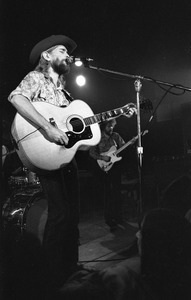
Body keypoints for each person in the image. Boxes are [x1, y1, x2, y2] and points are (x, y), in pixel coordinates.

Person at [7, 34, 81, 293]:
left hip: (66, 156)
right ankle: (50, 275)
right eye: (62, 50)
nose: (67, 55)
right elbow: (16, 99)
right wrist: (47, 129)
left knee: (72, 214)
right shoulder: (35, 78)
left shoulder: (65, 92)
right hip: (45, 154)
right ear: (47, 56)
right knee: (59, 213)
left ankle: (71, 266)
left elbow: (71, 127)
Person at [59, 208, 191, 300]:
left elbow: (67, 294)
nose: (137, 234)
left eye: (142, 232)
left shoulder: (124, 278)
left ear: (153, 242)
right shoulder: (183, 279)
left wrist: (83, 276)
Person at [89, 119, 126, 232]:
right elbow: (92, 152)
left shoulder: (116, 136)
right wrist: (103, 157)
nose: (111, 128)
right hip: (103, 168)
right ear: (104, 126)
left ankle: (118, 217)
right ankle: (109, 219)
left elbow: (123, 146)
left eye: (113, 126)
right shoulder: (98, 137)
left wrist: (130, 143)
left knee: (117, 192)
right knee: (108, 194)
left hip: (115, 166)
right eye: (109, 126)